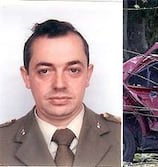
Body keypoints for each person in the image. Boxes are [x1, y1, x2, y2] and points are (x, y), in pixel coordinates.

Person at [0, 19, 121, 166]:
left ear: (88, 75)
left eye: (73, 70)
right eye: (44, 71)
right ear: (26, 77)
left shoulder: (118, 135)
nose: (59, 84)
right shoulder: (3, 142)